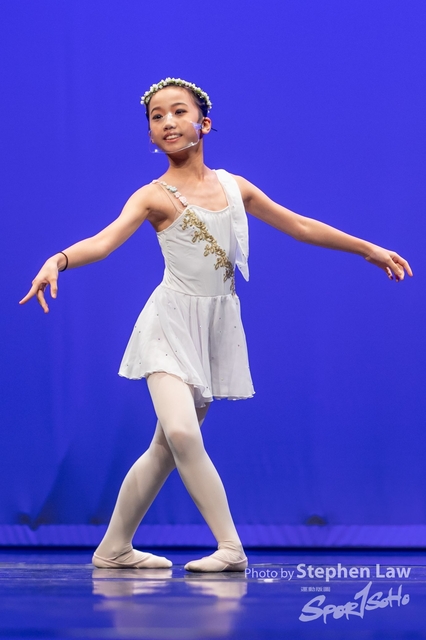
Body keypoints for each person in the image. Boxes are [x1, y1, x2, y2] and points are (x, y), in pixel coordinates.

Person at [19, 77, 413, 572]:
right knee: (182, 435)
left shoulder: (234, 187)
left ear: (204, 124)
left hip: (213, 326)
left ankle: (113, 548)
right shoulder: (152, 197)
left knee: (164, 448)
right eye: (157, 116)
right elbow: (104, 240)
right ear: (150, 134)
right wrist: (58, 260)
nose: (167, 122)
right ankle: (231, 547)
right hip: (168, 323)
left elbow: (300, 225)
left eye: (178, 112)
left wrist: (367, 248)